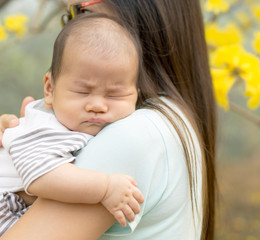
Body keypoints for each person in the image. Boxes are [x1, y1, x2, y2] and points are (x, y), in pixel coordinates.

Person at [0, 0, 217, 239]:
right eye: (69, 16)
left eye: (80, 13)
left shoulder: (130, 135)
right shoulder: (172, 118)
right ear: (49, 87)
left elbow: (40, 179)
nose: (98, 106)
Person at [0, 13, 145, 236]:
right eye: (82, 92)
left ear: (137, 94)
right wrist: (105, 188)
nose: (97, 105)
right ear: (50, 89)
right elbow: (42, 178)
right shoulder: (43, 127)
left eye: (115, 96)